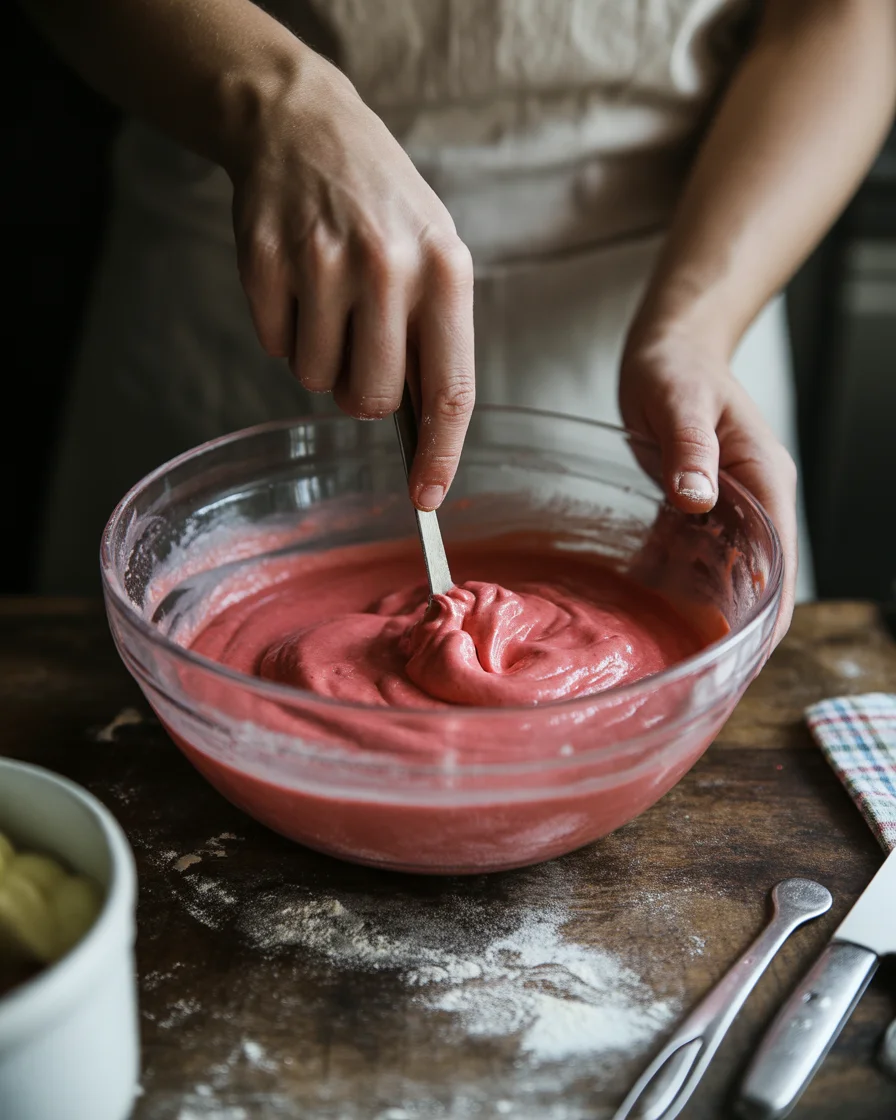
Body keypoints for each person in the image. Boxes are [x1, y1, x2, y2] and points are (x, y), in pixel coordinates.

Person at [23, 0, 896, 643]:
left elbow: (841, 16)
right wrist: (271, 95)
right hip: (239, 277)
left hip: (678, 283)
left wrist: (696, 327)